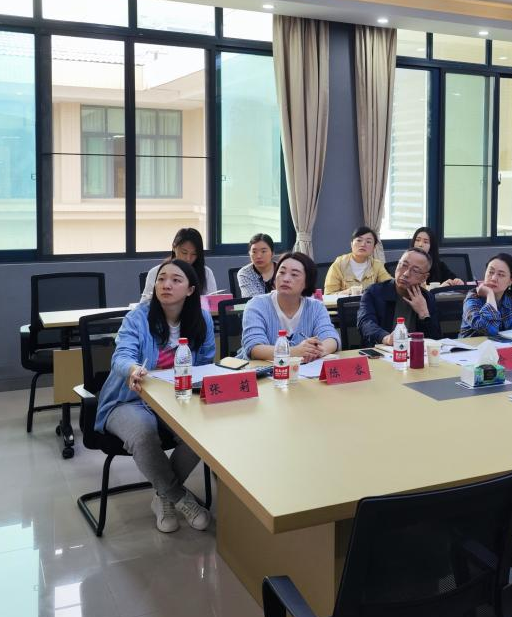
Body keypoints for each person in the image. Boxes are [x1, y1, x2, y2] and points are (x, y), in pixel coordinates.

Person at [97, 259, 216, 534]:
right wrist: (133, 369)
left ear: (190, 290)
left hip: (177, 399)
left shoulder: (202, 319)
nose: (166, 285)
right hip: (129, 398)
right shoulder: (138, 317)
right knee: (143, 434)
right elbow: (121, 355)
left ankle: (162, 495)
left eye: (175, 280)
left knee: (202, 431)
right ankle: (179, 498)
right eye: (161, 279)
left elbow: (205, 363)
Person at [241, 252, 340, 361]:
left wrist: (318, 350)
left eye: (294, 274)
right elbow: (254, 348)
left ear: (307, 282)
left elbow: (331, 338)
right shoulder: (257, 305)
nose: (286, 279)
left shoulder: (316, 307)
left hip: (305, 370)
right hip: (262, 370)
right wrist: (295, 351)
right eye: (282, 272)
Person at [358, 248, 441, 346]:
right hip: (381, 351)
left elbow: (435, 339)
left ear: (424, 277)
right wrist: (386, 338)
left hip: (414, 352)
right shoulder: (374, 292)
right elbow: (365, 323)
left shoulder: (427, 298)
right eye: (403, 265)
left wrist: (424, 314)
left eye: (415, 270)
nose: (406, 274)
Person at [139, 227, 218, 304]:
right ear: (174, 247)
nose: (188, 258)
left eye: (194, 254)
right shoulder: (156, 272)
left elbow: (213, 304)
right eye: (184, 252)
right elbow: (144, 304)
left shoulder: (206, 273)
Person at [460, 254, 512, 337]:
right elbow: (489, 330)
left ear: (510, 281)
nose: (493, 278)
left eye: (501, 275)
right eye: (491, 272)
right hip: (471, 344)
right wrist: (489, 294)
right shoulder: (472, 298)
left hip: (502, 344)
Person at [323, 225, 392, 295]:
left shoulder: (376, 265)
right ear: (351, 244)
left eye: (368, 242)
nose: (363, 244)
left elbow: (390, 286)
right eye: (359, 240)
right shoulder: (339, 264)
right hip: (346, 302)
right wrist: (346, 293)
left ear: (374, 248)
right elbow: (328, 294)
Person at [235, 233, 277, 297]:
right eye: (254, 252)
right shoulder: (245, 273)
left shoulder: (283, 270)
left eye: (263, 251)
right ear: (249, 253)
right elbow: (254, 300)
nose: (258, 256)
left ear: (272, 253)